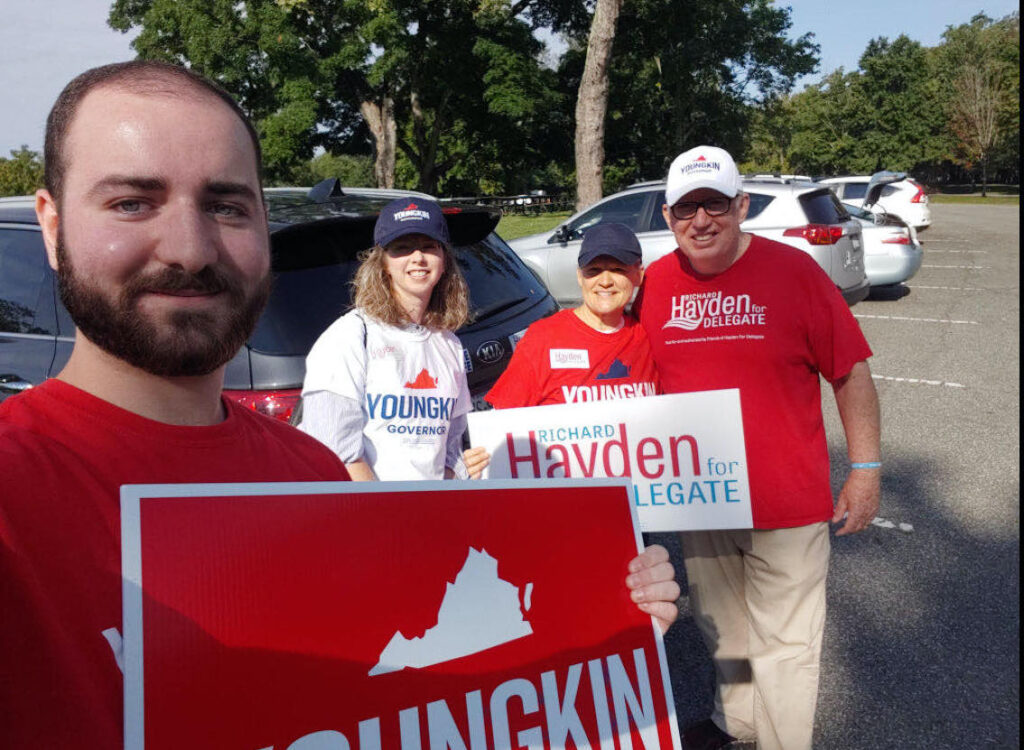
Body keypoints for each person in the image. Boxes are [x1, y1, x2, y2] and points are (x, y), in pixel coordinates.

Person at [0, 62, 677, 746]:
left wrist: (597, 627)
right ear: (52, 227)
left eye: (227, 206)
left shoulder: (311, 475)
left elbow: (406, 689)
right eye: (131, 203)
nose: (189, 248)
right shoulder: (13, 495)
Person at [634, 145, 881, 750]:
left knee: (788, 647)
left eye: (714, 204)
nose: (701, 221)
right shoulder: (658, 283)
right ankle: (737, 723)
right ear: (667, 217)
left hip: (787, 505)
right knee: (726, 634)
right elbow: (630, 383)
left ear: (741, 206)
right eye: (686, 208)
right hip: (703, 500)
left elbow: (850, 372)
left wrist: (866, 468)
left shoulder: (794, 273)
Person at [298, 197, 488, 480]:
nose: (418, 258)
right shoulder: (349, 337)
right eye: (402, 248)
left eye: (428, 246)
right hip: (370, 515)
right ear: (383, 264)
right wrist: (389, 516)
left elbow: (448, 452)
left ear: (444, 260)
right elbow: (336, 454)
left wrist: (460, 473)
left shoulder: (448, 344)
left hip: (430, 516)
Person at [486, 222, 659, 408]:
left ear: (638, 275)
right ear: (579, 276)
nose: (606, 281)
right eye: (594, 270)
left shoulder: (650, 339)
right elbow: (504, 420)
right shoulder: (542, 338)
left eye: (618, 270)